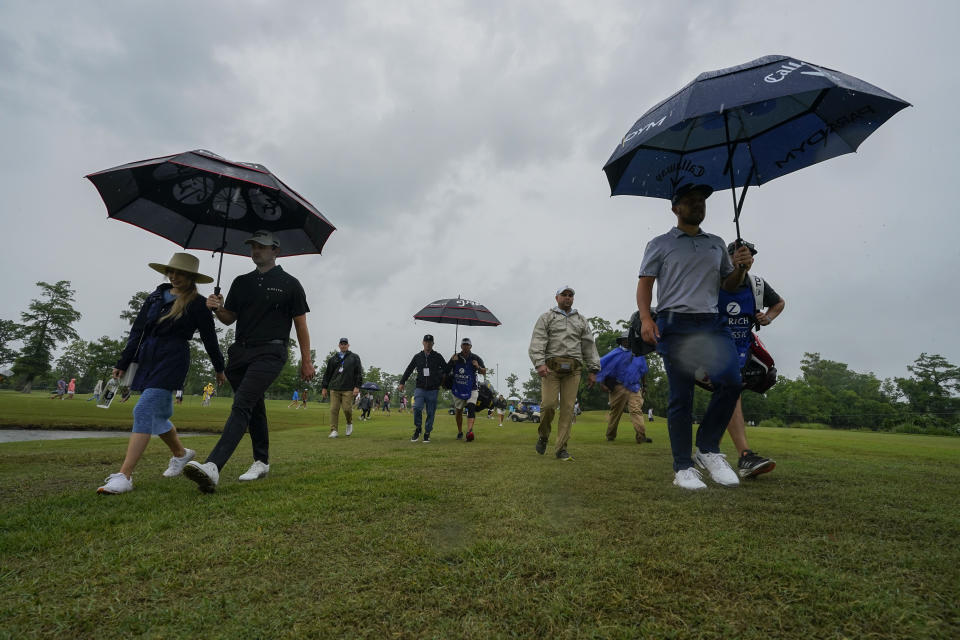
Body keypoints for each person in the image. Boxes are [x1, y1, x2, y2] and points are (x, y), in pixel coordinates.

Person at [636, 183, 754, 490]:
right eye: (690, 201)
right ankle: (683, 467)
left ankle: (707, 448)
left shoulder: (716, 244)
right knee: (681, 396)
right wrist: (647, 318)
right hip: (674, 322)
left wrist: (741, 268)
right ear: (675, 208)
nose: (698, 205)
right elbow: (645, 283)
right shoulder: (660, 244)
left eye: (701, 201)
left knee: (730, 381)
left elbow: (729, 284)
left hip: (712, 321)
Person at [184, 230, 314, 493]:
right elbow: (229, 318)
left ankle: (213, 466)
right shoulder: (241, 282)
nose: (256, 250)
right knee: (254, 405)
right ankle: (262, 461)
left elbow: (300, 324)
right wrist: (216, 306)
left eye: (262, 247)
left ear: (276, 251)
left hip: (271, 352)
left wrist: (306, 360)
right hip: (240, 354)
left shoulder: (290, 283)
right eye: (253, 246)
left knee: (242, 403)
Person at [97, 253, 225, 495]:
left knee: (143, 410)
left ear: (191, 277)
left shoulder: (198, 303)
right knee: (159, 415)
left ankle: (124, 476)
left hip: (173, 358)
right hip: (148, 357)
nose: (174, 276)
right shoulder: (155, 297)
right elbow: (137, 330)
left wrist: (219, 367)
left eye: (180, 273)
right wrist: (123, 361)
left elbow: (210, 338)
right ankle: (181, 453)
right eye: (171, 271)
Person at [717, 240, 785, 478]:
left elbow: (779, 303)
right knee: (728, 390)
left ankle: (736, 454)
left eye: (747, 254)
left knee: (730, 392)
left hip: (743, 348)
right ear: (727, 257)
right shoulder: (713, 279)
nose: (744, 256)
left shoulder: (757, 285)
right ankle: (731, 452)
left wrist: (768, 317)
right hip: (709, 345)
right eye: (737, 253)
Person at [528, 286, 601, 461]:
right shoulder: (547, 317)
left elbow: (589, 346)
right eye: (564, 295)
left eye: (571, 295)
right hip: (550, 369)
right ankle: (544, 436)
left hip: (573, 370)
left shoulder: (581, 320)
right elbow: (537, 341)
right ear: (557, 298)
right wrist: (539, 363)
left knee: (568, 409)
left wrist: (593, 369)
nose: (568, 298)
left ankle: (561, 448)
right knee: (548, 406)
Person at [596, 331, 651, 444]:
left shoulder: (638, 354)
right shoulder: (615, 353)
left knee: (636, 410)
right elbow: (604, 367)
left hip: (634, 387)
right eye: (626, 339)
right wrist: (602, 383)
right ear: (622, 341)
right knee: (616, 412)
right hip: (618, 387)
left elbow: (643, 370)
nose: (628, 341)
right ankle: (610, 434)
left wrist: (644, 385)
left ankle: (641, 435)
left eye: (630, 339)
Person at [398, 334, 447, 443]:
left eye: (430, 342)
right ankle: (418, 428)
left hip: (433, 389)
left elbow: (446, 369)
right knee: (417, 407)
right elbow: (409, 369)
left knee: (430, 412)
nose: (428, 344)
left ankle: (427, 433)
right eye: (426, 342)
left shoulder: (438, 356)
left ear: (433, 344)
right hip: (420, 388)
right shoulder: (417, 356)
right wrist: (402, 382)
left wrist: (453, 361)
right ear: (423, 343)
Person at [320, 338, 362, 438]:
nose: (343, 345)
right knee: (334, 409)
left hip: (348, 388)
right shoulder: (333, 359)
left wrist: (357, 386)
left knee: (347, 409)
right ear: (339, 345)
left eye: (345, 344)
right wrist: (324, 387)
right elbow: (327, 374)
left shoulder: (354, 357)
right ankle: (334, 430)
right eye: (341, 344)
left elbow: (358, 373)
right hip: (334, 388)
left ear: (348, 345)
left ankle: (349, 423)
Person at [449, 338, 487, 440]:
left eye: (467, 345)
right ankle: (460, 431)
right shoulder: (455, 356)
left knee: (471, 407)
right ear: (461, 346)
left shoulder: (476, 358)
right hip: (458, 387)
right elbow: (447, 369)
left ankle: (469, 432)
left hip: (472, 388)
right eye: (464, 345)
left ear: (470, 346)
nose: (465, 346)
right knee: (458, 411)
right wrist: (453, 362)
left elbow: (484, 371)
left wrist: (477, 367)